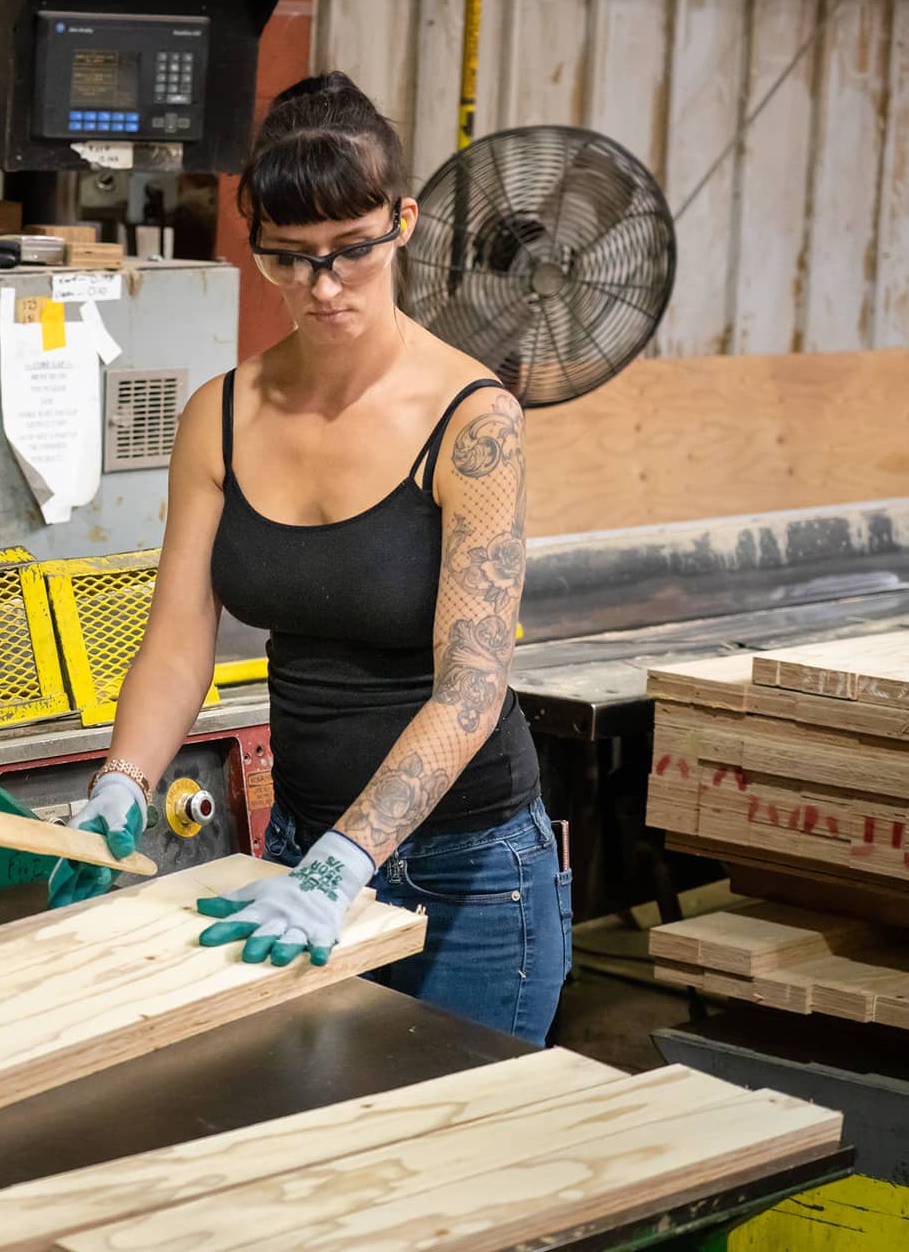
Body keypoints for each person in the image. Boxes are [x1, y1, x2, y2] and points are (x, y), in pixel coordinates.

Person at [48, 71, 571, 1044]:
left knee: (454, 1156)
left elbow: (470, 689)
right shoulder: (222, 417)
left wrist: (349, 862)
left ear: (403, 221)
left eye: (349, 254)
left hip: (466, 871)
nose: (321, 289)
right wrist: (122, 784)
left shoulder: (473, 421)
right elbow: (174, 644)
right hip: (296, 848)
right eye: (288, 261)